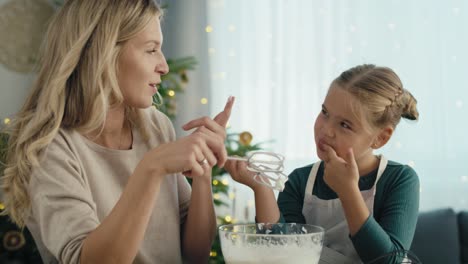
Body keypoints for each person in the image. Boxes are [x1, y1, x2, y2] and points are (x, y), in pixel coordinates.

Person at [0, 0, 234, 263]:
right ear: (104, 54)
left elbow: (194, 254)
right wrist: (151, 168)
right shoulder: (50, 148)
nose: (164, 66)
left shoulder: (156, 126)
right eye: (151, 50)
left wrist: (203, 170)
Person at [225, 64, 420, 263]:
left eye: (345, 125)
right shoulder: (300, 181)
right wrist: (262, 188)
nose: (326, 130)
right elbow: (280, 251)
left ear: (380, 138)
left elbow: (388, 260)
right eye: (325, 113)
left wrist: (347, 191)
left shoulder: (400, 180)